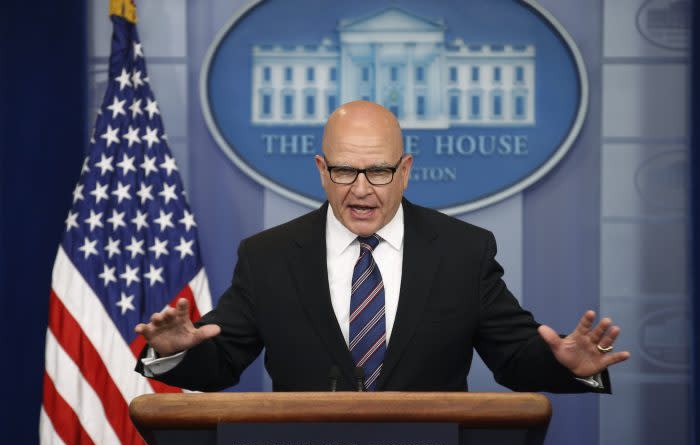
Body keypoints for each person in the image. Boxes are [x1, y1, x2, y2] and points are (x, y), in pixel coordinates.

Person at [134, 101, 629, 392]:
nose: (362, 189)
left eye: (380, 171)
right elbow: (221, 361)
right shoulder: (269, 255)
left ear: (406, 170)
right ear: (322, 171)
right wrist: (171, 353)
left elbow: (515, 356)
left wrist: (566, 366)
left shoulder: (463, 251)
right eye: (346, 171)